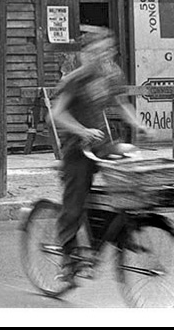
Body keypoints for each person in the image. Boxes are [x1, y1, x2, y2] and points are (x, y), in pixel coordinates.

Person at [50, 26, 145, 283]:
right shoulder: (75, 79)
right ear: (85, 53)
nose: (102, 55)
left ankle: (115, 234)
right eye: (95, 51)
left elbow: (121, 104)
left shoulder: (111, 74)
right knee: (74, 204)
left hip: (102, 144)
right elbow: (56, 114)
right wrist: (81, 130)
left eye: (106, 50)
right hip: (76, 149)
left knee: (128, 177)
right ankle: (68, 260)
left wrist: (138, 124)